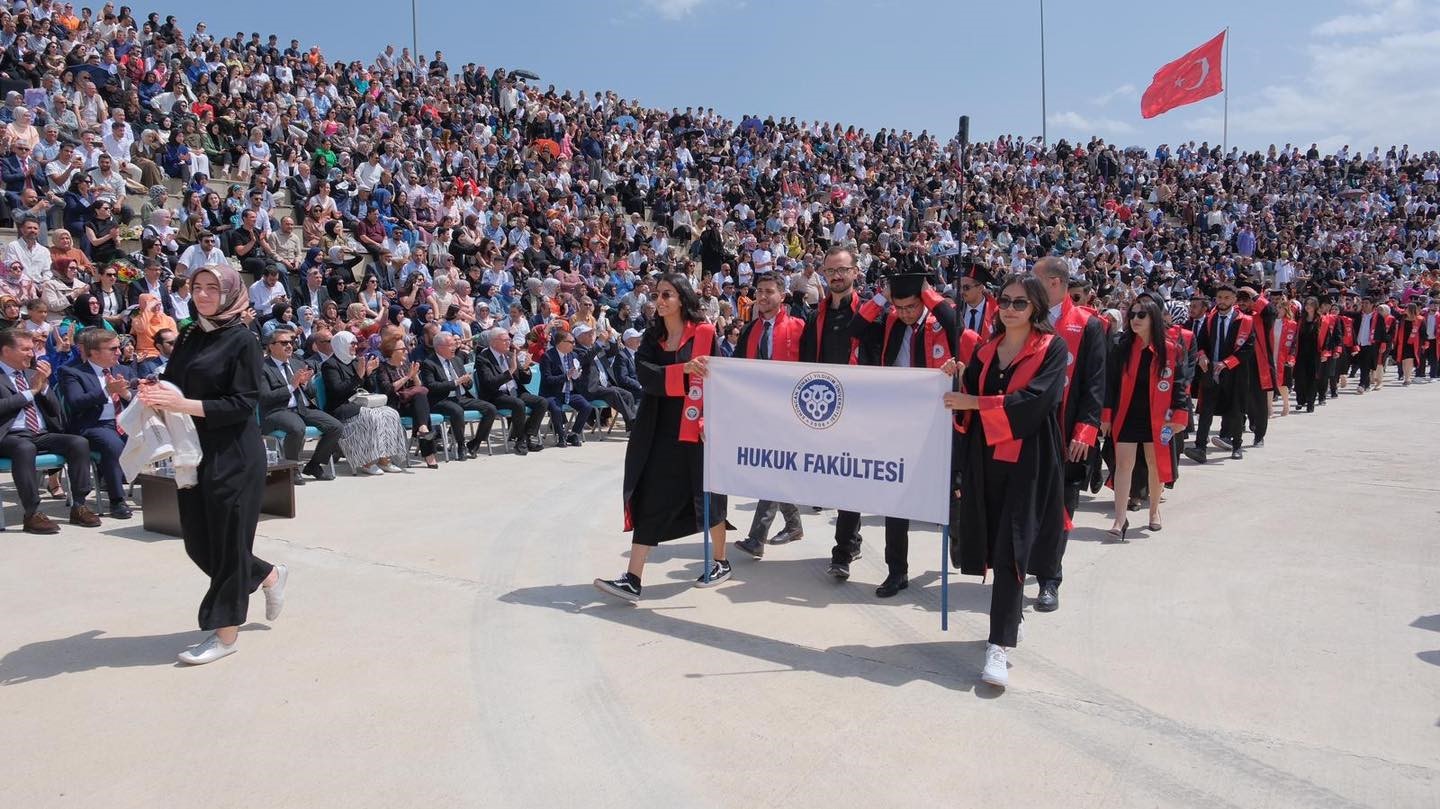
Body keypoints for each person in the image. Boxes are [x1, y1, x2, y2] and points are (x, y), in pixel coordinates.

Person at [134, 265, 286, 665]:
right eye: (197, 287)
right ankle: (267, 574)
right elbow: (175, 380)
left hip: (233, 453)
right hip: (193, 451)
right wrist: (156, 389)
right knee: (200, 543)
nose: (202, 294)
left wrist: (184, 405)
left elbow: (242, 404)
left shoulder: (244, 341)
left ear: (231, 293)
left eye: (212, 288)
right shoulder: (189, 334)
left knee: (230, 545)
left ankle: (224, 634)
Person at [945, 273, 1067, 689]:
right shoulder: (985, 350)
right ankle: (1009, 618)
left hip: (1027, 461)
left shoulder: (1053, 348)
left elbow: (1036, 403)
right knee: (993, 542)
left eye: (1020, 303)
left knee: (1012, 548)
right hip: (985, 460)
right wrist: (955, 376)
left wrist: (975, 401)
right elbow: (963, 400)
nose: (1010, 309)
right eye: (1005, 301)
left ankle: (998, 643)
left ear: (1036, 307)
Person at [594, 272, 730, 601]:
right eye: (658, 294)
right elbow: (645, 376)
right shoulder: (652, 339)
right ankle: (633, 578)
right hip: (661, 429)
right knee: (652, 498)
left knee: (707, 495)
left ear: (683, 298)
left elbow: (722, 377)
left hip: (698, 429)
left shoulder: (705, 333)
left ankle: (721, 561)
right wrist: (681, 371)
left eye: (667, 294)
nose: (660, 300)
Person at [846, 268, 967, 597]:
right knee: (895, 497)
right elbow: (855, 328)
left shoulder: (940, 321)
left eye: (912, 306)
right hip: (899, 420)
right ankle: (896, 570)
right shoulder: (890, 323)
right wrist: (884, 297)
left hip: (940, 419)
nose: (906, 313)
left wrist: (927, 293)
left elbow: (958, 326)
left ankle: (959, 538)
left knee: (952, 489)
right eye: (899, 307)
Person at [1029, 256, 1105, 614]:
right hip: (1030, 431)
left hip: (1067, 434)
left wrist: (1085, 431)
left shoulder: (1088, 325)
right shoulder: (1027, 318)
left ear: (1056, 283)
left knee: (1060, 509)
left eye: (1037, 279)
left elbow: (1094, 383)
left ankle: (1050, 579)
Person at [798, 246, 865, 580]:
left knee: (849, 483)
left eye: (843, 270)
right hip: (823, 411)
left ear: (856, 272)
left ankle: (842, 551)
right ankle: (852, 538)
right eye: (831, 271)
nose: (837, 276)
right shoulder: (815, 316)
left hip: (857, 413)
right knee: (833, 482)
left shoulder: (868, 315)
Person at [731, 272, 807, 557]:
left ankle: (756, 537)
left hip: (790, 413)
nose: (762, 296)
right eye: (759, 291)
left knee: (773, 470)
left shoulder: (799, 326)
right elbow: (737, 369)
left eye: (769, 291)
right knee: (775, 470)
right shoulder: (750, 331)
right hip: (759, 413)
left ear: (782, 295)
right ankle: (794, 524)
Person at [1100, 294, 1188, 538]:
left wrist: (1177, 417)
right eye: (1132, 314)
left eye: (1141, 315)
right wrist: (1105, 415)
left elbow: (1179, 386)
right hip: (1126, 414)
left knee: (1154, 465)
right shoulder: (1120, 346)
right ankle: (1119, 520)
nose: (1135, 319)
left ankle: (1154, 512)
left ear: (1154, 318)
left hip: (1158, 418)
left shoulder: (1170, 350)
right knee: (1123, 465)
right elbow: (1110, 384)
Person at [0, 327, 102, 534]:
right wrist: (31, 392)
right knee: (24, 448)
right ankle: (31, 513)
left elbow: (56, 411)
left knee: (78, 442)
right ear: (6, 351)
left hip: (40, 433)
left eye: (32, 349)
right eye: (25, 349)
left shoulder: (32, 374)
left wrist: (44, 388)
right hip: (9, 436)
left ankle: (79, 505)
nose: (31, 354)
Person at [58, 326, 137, 519]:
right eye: (112, 349)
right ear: (94, 352)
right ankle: (117, 500)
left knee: (155, 434)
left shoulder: (122, 369)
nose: (118, 352)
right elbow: (75, 402)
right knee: (113, 444)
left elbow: (137, 397)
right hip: (93, 425)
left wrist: (125, 393)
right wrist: (106, 392)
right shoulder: (72, 372)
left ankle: (156, 489)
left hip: (124, 421)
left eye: (118, 347)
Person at [258, 329, 342, 483]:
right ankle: (293, 468)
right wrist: (292, 386)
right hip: (277, 411)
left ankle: (314, 465)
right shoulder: (262, 368)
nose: (289, 345)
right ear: (271, 346)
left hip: (302, 409)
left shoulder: (298, 362)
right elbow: (265, 398)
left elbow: (311, 393)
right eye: (284, 343)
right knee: (297, 428)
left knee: (335, 426)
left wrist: (306, 383)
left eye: (291, 342)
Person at [320, 330, 408, 475]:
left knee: (390, 413)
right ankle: (367, 461)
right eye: (352, 344)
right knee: (372, 417)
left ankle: (384, 459)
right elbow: (337, 391)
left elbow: (369, 389)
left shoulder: (355, 361)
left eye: (356, 343)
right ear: (341, 345)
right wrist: (359, 376)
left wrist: (369, 373)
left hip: (360, 402)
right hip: (340, 406)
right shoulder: (330, 365)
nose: (355, 347)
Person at [1185, 284, 1253, 463]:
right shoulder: (1210, 319)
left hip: (1234, 372)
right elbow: (1201, 343)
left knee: (1235, 411)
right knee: (1206, 410)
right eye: (1220, 298)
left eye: (1226, 298)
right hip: (1211, 372)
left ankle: (1236, 445)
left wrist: (1226, 363)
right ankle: (1200, 447)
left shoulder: (1244, 320)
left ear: (1234, 300)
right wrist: (1201, 356)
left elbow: (1247, 348)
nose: (1222, 301)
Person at [421, 332, 497, 460]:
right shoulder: (429, 363)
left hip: (460, 397)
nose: (454, 348)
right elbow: (432, 387)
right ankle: (461, 445)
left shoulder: (457, 360)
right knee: (457, 411)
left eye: (455, 344)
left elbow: (467, 384)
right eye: (450, 345)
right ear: (439, 347)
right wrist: (456, 382)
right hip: (440, 400)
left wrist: (467, 381)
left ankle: (474, 443)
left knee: (490, 409)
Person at [474, 327, 546, 455]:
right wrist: (511, 370)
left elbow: (524, 381)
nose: (509, 343)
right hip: (496, 395)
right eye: (505, 340)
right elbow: (489, 383)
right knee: (518, 404)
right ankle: (520, 440)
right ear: (493, 342)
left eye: (509, 340)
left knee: (541, 402)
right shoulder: (483, 358)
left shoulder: (509, 355)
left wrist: (525, 368)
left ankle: (527, 436)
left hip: (515, 391)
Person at [373, 337, 438, 468]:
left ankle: (422, 429)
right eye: (403, 349)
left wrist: (414, 377)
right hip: (394, 404)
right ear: (392, 351)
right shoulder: (383, 368)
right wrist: (407, 377)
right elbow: (388, 389)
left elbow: (420, 387)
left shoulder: (408, 365)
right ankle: (429, 453)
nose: (407, 351)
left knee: (420, 398)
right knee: (422, 412)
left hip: (412, 403)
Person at [573, 323, 637, 432]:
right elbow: (586, 358)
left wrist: (611, 337)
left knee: (628, 395)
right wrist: (599, 342)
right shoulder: (577, 351)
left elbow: (613, 351)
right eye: (588, 334)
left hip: (605, 385)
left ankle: (631, 428)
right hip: (591, 388)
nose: (592, 335)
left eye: (592, 333)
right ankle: (633, 421)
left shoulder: (596, 348)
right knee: (613, 393)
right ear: (580, 337)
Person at [538, 328, 593, 448]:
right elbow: (547, 380)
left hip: (570, 392)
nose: (574, 344)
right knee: (557, 409)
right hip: (552, 393)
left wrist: (577, 375)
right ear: (561, 343)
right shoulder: (548, 357)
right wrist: (566, 376)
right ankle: (560, 435)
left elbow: (576, 376)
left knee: (587, 407)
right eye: (571, 342)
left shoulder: (573, 355)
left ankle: (574, 434)